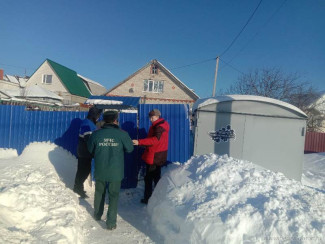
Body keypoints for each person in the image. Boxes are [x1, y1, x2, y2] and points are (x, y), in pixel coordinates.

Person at [87, 110, 134, 230]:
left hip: (100, 169)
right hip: (116, 171)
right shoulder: (122, 134)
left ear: (104, 120)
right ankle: (111, 223)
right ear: (115, 120)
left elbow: (90, 149)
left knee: (99, 193)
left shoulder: (96, 134)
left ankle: (97, 215)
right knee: (113, 195)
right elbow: (130, 149)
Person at [132, 109, 169, 204]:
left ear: (158, 116)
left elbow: (155, 140)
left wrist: (139, 142)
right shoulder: (161, 124)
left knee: (149, 178)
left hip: (154, 155)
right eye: (150, 117)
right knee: (155, 177)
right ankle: (157, 198)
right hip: (158, 154)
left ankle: (148, 199)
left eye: (153, 117)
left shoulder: (159, 126)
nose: (151, 119)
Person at [73, 106, 102, 198]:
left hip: (86, 152)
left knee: (84, 170)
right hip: (84, 152)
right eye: (98, 115)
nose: (99, 117)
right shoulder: (87, 123)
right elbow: (88, 139)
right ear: (94, 115)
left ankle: (78, 187)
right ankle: (77, 188)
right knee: (83, 171)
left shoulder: (90, 123)